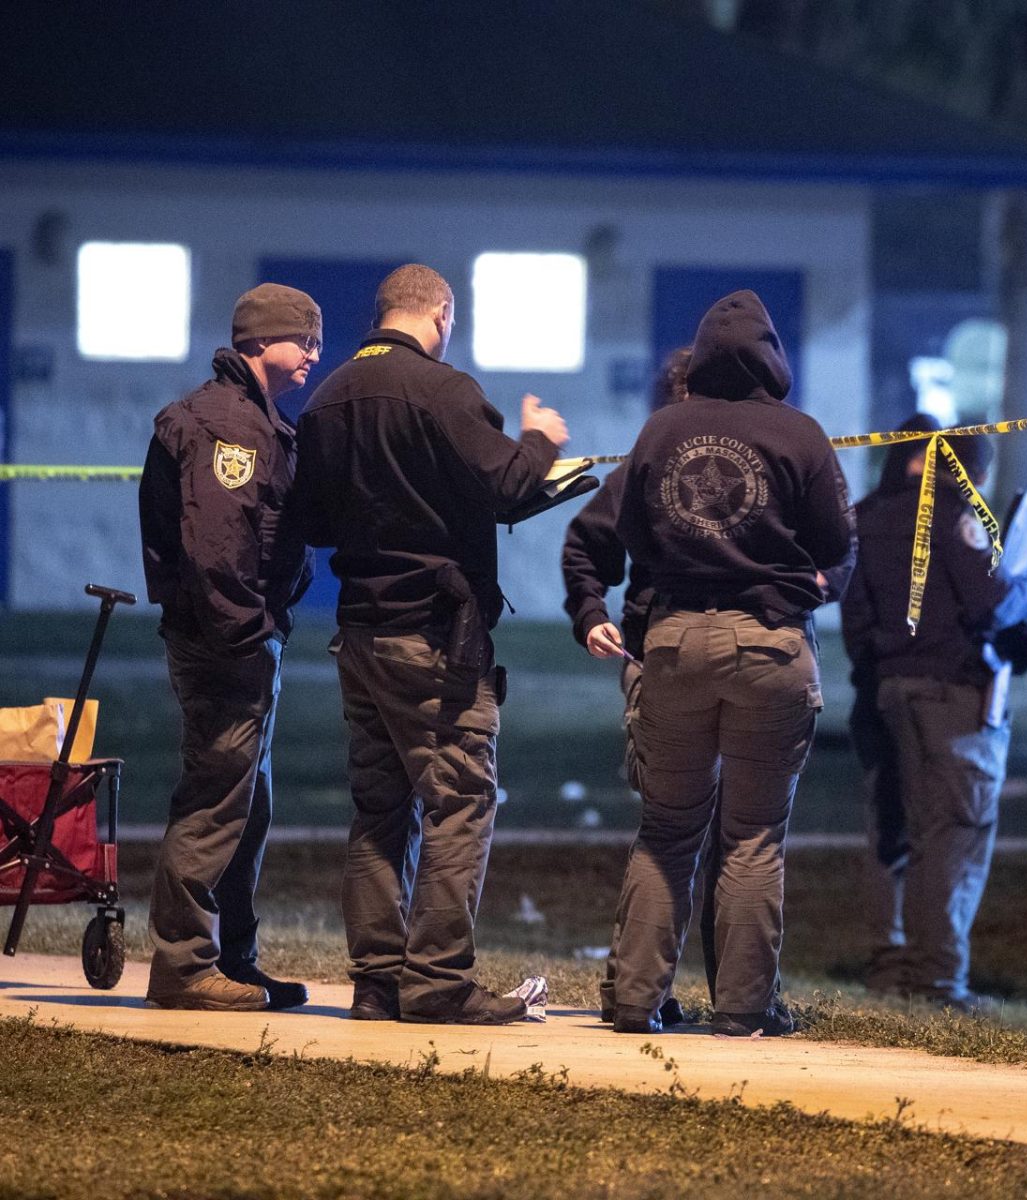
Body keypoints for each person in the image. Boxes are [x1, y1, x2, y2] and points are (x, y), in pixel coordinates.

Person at [293, 264, 569, 1025]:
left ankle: (378, 983)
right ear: (441, 315)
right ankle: (439, 981)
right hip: (435, 638)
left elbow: (312, 522)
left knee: (379, 810)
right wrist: (540, 440)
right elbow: (509, 484)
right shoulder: (444, 390)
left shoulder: (328, 397)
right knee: (460, 801)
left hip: (359, 630)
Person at [598, 289, 856, 1037]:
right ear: (774, 358)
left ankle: (634, 1001)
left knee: (668, 829)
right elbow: (835, 545)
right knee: (751, 835)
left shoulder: (661, 428)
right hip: (771, 646)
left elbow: (631, 535)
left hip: (675, 642)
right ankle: (743, 1011)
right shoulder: (799, 434)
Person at [842, 415, 1027, 1010]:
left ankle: (890, 970)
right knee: (954, 832)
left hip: (883, 693)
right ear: (974, 470)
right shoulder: (955, 513)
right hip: (951, 695)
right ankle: (938, 980)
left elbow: (854, 617)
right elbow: (994, 594)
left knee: (893, 831)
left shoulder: (864, 517)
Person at [139, 283, 320, 1011]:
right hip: (227, 645)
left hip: (240, 639)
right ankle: (184, 967)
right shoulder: (227, 429)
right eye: (301, 339)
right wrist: (249, 636)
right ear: (257, 343)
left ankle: (233, 962)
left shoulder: (254, 418)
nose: (314, 352)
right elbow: (217, 553)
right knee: (217, 799)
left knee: (247, 804)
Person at [561, 347, 698, 1026]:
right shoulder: (650, 461)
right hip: (661, 659)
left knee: (677, 832)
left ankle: (642, 990)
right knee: (693, 832)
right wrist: (589, 612)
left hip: (664, 657)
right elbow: (587, 542)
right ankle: (668, 993)